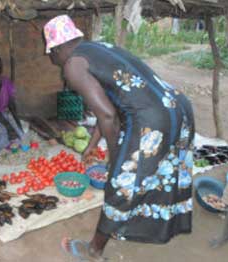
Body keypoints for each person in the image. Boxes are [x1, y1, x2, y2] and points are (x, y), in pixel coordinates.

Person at [43, 15, 195, 261]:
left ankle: (94, 251)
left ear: (59, 48)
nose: (52, 60)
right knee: (157, 174)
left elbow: (108, 117)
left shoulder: (73, 64)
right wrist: (92, 146)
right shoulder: (100, 48)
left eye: (51, 53)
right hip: (177, 107)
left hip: (151, 120)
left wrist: (114, 161)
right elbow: (108, 109)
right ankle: (141, 225)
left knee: (121, 184)